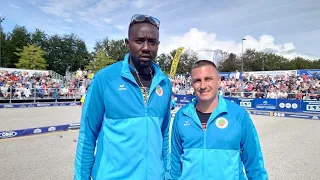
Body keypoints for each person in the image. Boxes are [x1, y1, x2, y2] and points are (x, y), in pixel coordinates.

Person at [74, 14, 172, 180]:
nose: (147, 47)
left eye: (152, 42)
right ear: (127, 43)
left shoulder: (164, 83)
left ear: (158, 45)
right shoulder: (105, 79)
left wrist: (167, 174)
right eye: (139, 41)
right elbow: (87, 135)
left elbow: (163, 136)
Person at [170, 59, 268, 180]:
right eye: (197, 81)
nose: (203, 86)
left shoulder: (238, 114)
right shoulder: (182, 115)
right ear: (192, 83)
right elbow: (175, 161)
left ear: (218, 81)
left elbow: (253, 161)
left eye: (208, 79)